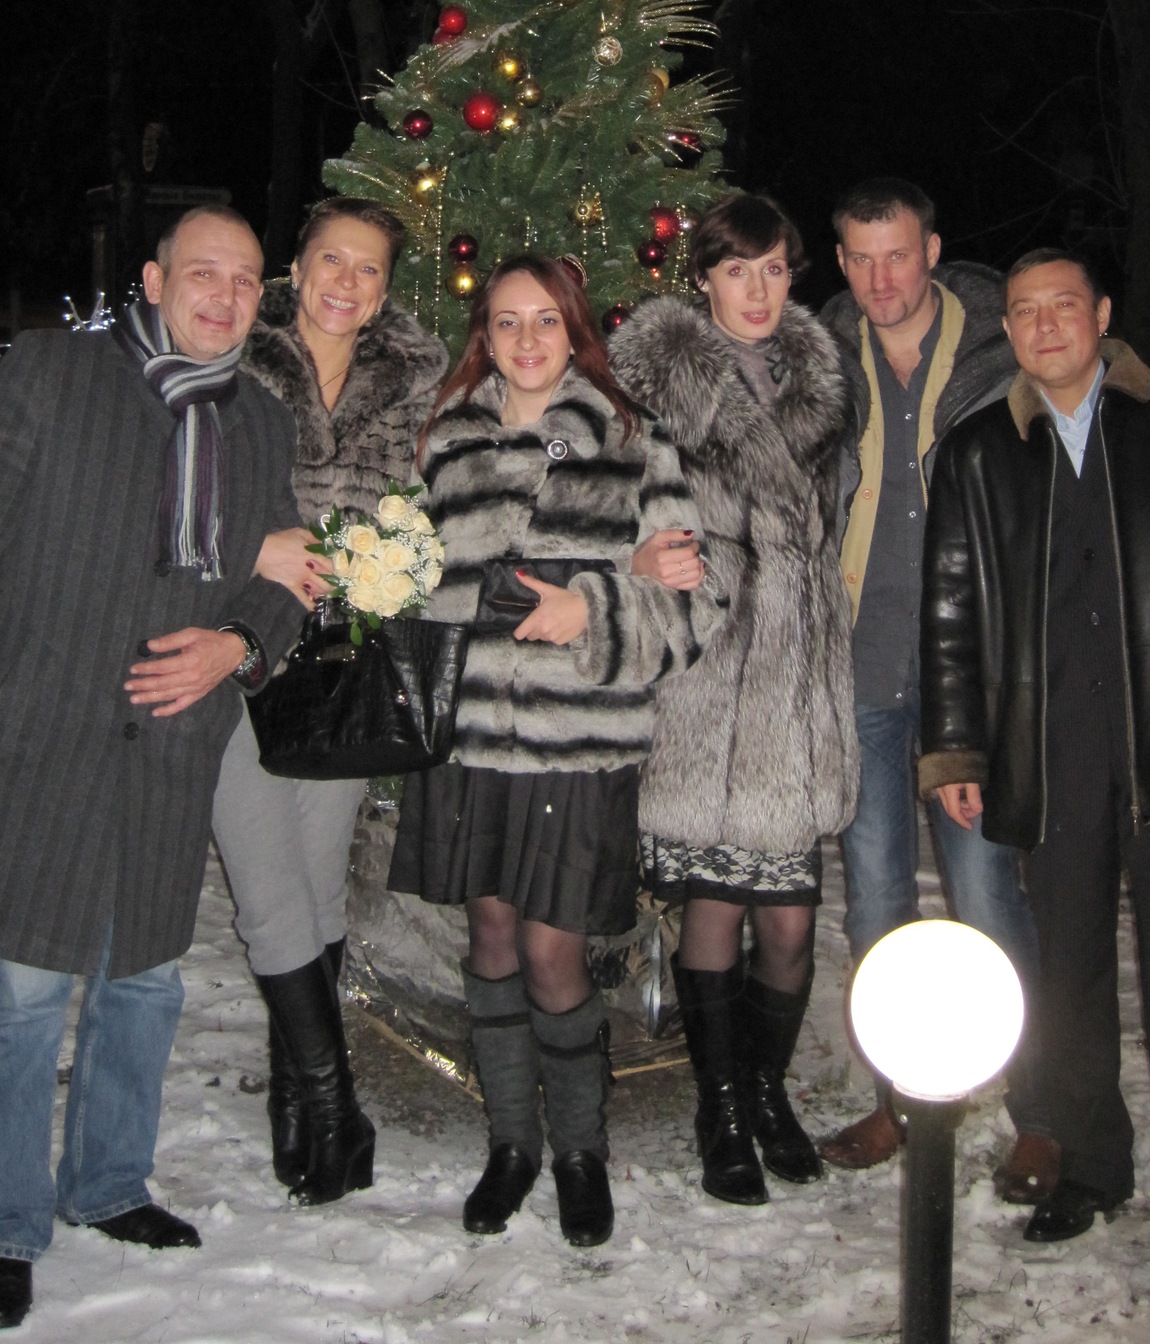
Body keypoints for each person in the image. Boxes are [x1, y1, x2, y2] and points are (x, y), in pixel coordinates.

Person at [0, 209, 304, 1334]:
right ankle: (6, 1219)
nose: (224, 297)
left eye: (245, 281)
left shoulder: (260, 421)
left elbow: (286, 575)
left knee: (144, 979)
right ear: (153, 277)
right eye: (202, 273)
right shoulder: (50, 375)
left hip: (174, 745)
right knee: (23, 990)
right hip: (44, 730)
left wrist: (239, 643)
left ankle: (109, 1182)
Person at [388, 254, 723, 1249]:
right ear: (483, 336)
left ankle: (579, 1149)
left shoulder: (634, 442)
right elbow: (406, 584)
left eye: (546, 320)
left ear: (577, 332)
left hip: (579, 748)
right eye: (506, 322)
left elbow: (697, 606)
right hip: (472, 743)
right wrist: (529, 584)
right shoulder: (445, 442)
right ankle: (511, 1144)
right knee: (489, 943)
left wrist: (598, 605)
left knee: (551, 952)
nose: (526, 340)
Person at [610, 192, 857, 1208]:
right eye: (736, 270)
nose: (758, 290)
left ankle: (765, 1091)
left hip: (795, 692)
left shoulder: (821, 386)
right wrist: (638, 563)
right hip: (710, 687)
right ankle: (720, 1110)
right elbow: (615, 512)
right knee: (713, 908)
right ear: (703, 278)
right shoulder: (658, 390)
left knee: (791, 925)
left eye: (775, 269)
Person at [819, 180, 1055, 1199]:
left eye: (899, 254)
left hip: (973, 674)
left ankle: (1039, 1112)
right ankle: (901, 1095)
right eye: (862, 258)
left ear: (932, 250)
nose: (882, 279)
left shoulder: (1003, 351)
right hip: (863, 670)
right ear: (841, 262)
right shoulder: (823, 359)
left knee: (987, 893)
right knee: (874, 894)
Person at [211, 199, 447, 1206]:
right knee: (269, 894)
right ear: (297, 268)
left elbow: (437, 502)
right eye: (331, 261)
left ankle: (294, 1103)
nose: (346, 283)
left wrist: (403, 560)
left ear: (385, 290)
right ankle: (334, 1099)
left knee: (314, 891)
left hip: (346, 666)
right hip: (239, 650)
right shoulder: (235, 360)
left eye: (368, 269)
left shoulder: (416, 385)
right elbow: (185, 498)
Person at [920, 248, 1150, 1244]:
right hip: (1051, 751)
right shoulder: (980, 452)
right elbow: (947, 612)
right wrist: (955, 751)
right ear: (1007, 329)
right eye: (1024, 310)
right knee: (1069, 971)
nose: (1045, 325)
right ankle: (1092, 1166)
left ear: (1101, 314)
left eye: (1064, 305)